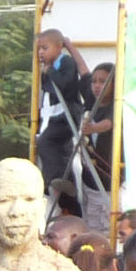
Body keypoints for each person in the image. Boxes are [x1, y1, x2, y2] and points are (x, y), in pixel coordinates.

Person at [32, 28, 93, 197]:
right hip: (55, 117)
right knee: (58, 149)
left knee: (48, 142)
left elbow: (64, 84)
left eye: (45, 48)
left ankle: (56, 177)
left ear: (59, 47)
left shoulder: (66, 62)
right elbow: (47, 87)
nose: (41, 53)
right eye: (39, 49)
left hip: (68, 116)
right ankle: (62, 182)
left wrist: (50, 71)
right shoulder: (49, 67)